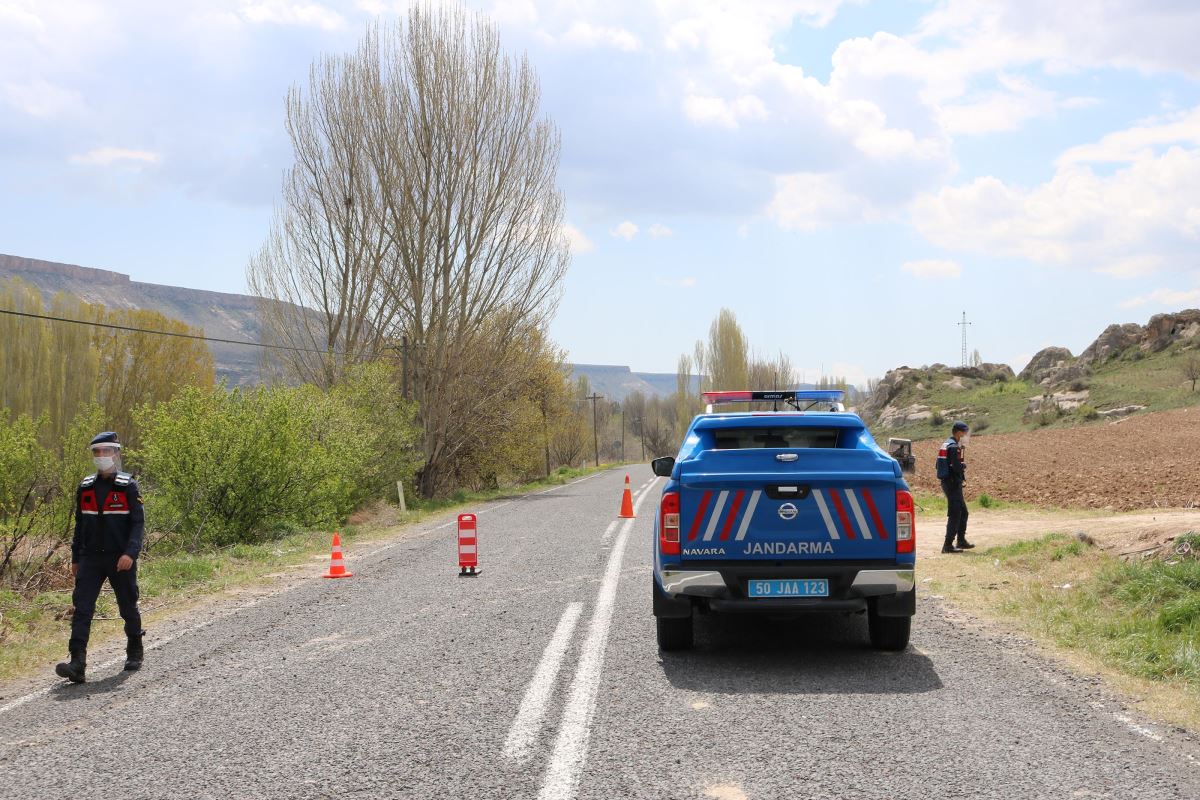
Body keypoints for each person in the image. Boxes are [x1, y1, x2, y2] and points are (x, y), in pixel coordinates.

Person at [55, 432, 145, 683]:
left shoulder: (128, 486)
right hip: (90, 559)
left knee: (127, 605)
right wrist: (75, 558)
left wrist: (130, 553)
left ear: (116, 453)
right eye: (97, 452)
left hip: (120, 558)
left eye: (106, 451)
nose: (102, 456)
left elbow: (138, 524)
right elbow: (79, 526)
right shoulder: (85, 488)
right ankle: (77, 663)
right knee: (82, 608)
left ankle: (135, 650)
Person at [935, 421, 975, 554]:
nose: (965, 435)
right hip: (952, 483)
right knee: (956, 513)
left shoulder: (946, 444)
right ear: (958, 432)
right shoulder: (953, 447)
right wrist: (963, 466)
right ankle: (947, 545)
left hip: (948, 482)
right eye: (964, 432)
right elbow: (957, 467)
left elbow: (938, 465)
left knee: (963, 512)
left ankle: (961, 541)